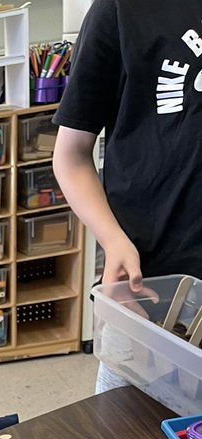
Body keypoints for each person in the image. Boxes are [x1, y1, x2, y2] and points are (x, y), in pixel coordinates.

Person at [52, 0, 202, 390]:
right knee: (124, 438)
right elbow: (71, 156)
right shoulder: (121, 9)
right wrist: (113, 242)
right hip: (149, 292)